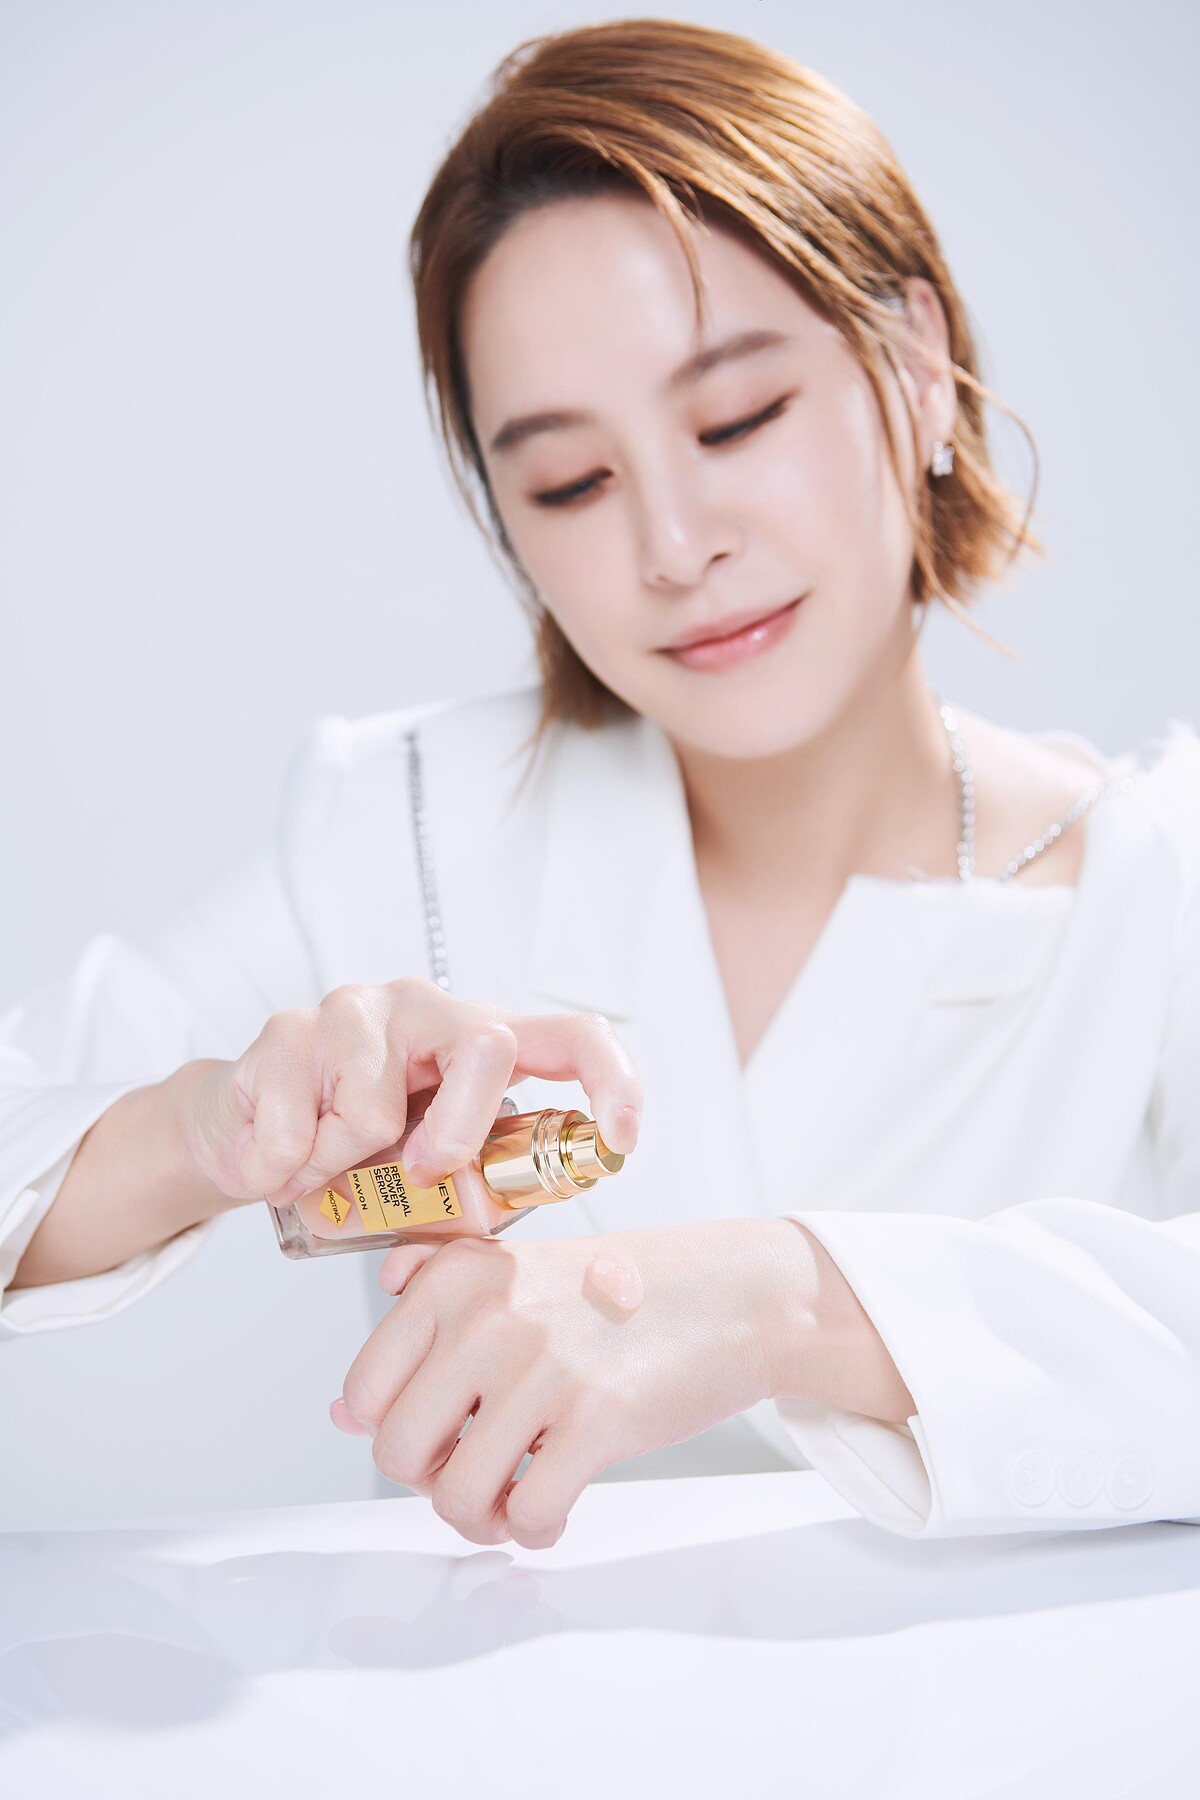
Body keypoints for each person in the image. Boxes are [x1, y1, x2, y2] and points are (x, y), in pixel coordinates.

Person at [4, 18, 1198, 1552]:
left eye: (739, 417)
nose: (674, 546)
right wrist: (203, 1132)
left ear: (913, 370)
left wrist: (779, 1300)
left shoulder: (1150, 880)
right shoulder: (410, 817)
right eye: (570, 481)